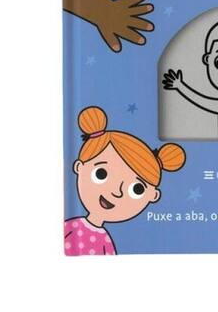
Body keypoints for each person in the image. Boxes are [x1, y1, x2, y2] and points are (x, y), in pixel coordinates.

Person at [64, 106, 185, 255]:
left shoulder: (105, 241)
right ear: (79, 166)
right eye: (101, 174)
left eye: (137, 189)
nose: (116, 192)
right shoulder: (71, 230)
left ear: (153, 195)